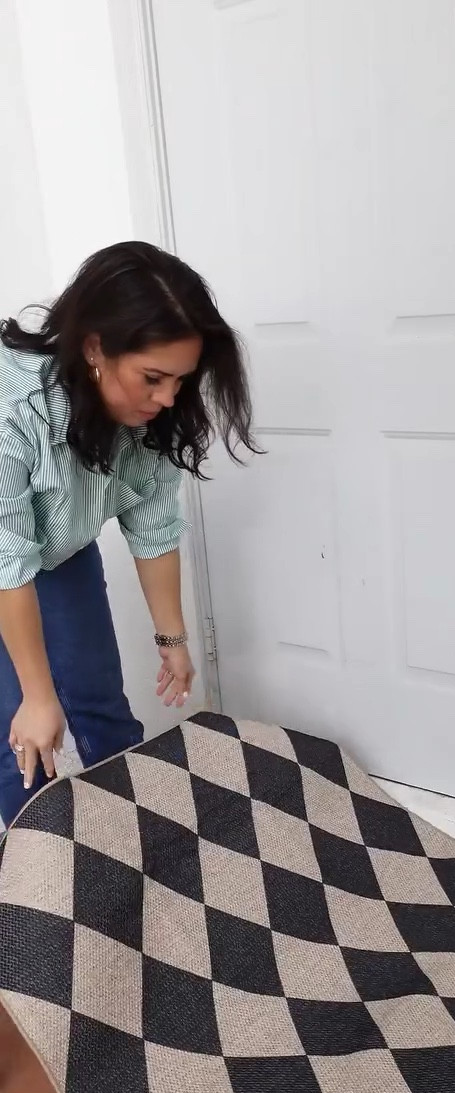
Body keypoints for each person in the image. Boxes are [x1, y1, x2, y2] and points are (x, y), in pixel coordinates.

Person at [0, 240, 253, 828]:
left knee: (101, 705)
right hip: (4, 557)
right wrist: (37, 696)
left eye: (180, 381)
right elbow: (8, 564)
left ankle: (133, 845)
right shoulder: (12, 413)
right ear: (95, 347)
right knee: (23, 733)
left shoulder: (150, 414)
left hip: (56, 547)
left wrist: (173, 639)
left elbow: (153, 525)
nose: (167, 398)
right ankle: (37, 871)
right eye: (153, 378)